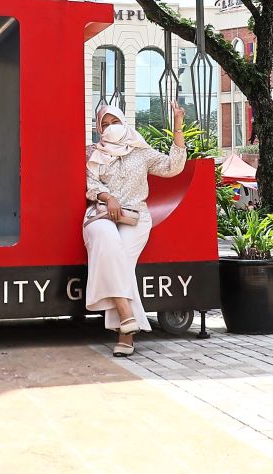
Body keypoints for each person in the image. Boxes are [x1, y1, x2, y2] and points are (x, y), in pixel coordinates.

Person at [84, 101, 187, 357]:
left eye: (115, 122)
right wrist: (108, 198)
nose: (110, 128)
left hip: (136, 218)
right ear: (98, 129)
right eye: (104, 125)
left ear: (124, 122)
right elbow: (90, 182)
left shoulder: (141, 152)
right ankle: (127, 317)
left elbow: (173, 167)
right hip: (102, 214)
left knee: (121, 262)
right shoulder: (92, 153)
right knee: (106, 241)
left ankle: (125, 333)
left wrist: (177, 126)